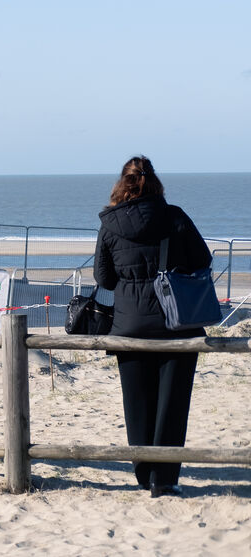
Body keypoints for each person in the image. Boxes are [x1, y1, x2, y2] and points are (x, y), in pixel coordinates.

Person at [94, 155, 212, 498]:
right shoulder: (175, 216)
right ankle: (164, 480)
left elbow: (104, 278)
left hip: (129, 325)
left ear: (122, 184)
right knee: (172, 404)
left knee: (137, 403)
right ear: (155, 182)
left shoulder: (110, 223)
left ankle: (143, 474)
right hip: (177, 323)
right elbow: (203, 259)